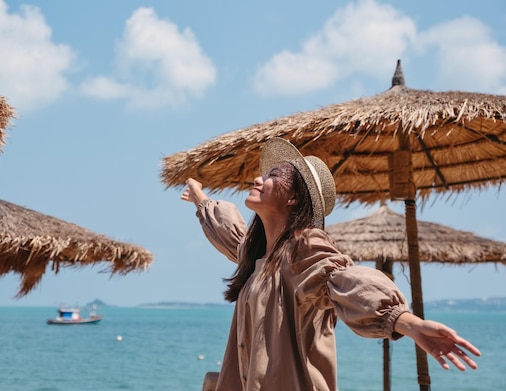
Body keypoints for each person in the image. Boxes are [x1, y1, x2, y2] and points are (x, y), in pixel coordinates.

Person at [181, 137, 481, 390]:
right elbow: (231, 233)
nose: (259, 179)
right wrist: (200, 199)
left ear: (294, 198)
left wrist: (408, 323)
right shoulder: (259, 256)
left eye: (272, 175)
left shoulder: (304, 246)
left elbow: (348, 280)